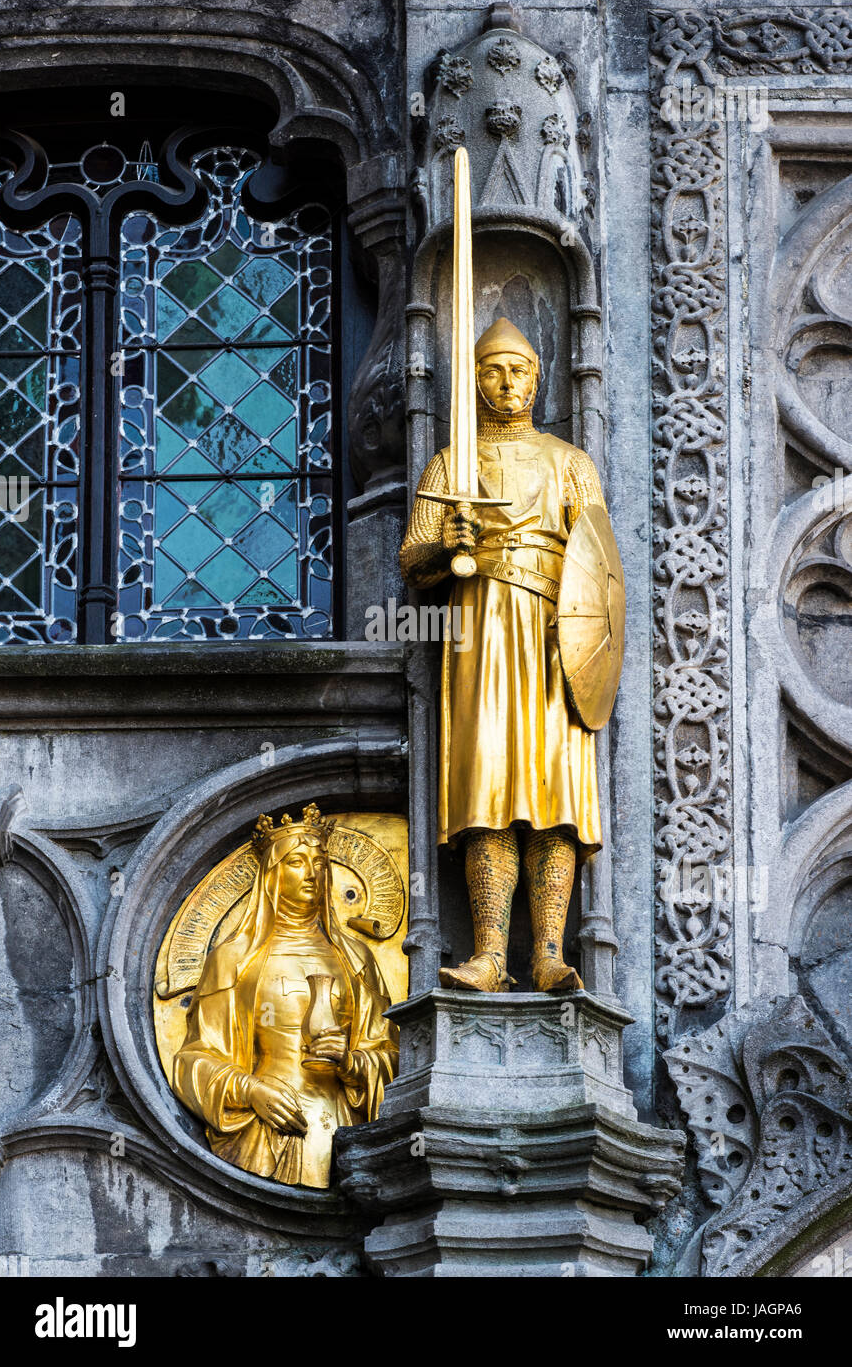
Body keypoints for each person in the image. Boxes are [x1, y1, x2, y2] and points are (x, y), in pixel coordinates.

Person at [400, 316, 606, 994]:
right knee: (487, 793)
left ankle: (548, 950)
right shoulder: (451, 464)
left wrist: (580, 644)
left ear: (538, 378)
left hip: (554, 639)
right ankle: (489, 953)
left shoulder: (568, 463)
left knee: (554, 800)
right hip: (480, 634)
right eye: (492, 369)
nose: (506, 381)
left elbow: (600, 567)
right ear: (475, 378)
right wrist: (445, 544)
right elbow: (414, 561)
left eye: (518, 369)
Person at [172, 803, 398, 1188]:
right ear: (271, 876)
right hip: (264, 1129)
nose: (312, 873)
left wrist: (353, 1064)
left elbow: (394, 1053)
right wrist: (250, 1089)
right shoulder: (233, 959)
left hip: (343, 1127)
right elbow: (193, 1059)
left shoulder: (357, 959)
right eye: (296, 862)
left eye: (320, 862)